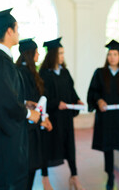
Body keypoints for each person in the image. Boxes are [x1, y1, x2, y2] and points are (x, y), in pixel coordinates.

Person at [0, 8, 41, 189]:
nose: (18, 33)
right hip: (0, 146)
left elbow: (1, 96)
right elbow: (2, 102)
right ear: (9, 31)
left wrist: (23, 102)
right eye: (17, 29)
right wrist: (28, 113)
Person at [87, 40, 119, 190]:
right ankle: (110, 176)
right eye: (109, 54)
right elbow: (93, 92)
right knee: (107, 148)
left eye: (115, 54)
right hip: (106, 118)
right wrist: (99, 100)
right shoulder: (100, 73)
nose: (112, 57)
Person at [39, 37, 85, 190]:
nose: (62, 56)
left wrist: (77, 100)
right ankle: (45, 180)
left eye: (63, 53)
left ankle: (74, 177)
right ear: (52, 55)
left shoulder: (65, 72)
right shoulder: (44, 74)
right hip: (52, 118)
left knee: (70, 147)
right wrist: (56, 103)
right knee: (47, 148)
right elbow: (42, 96)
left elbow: (71, 91)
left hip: (65, 118)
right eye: (60, 53)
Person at [16, 38, 53, 190]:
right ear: (30, 54)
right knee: (28, 168)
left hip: (33, 125)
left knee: (30, 167)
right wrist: (41, 119)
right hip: (28, 128)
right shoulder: (23, 73)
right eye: (36, 52)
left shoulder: (26, 71)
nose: (38, 55)